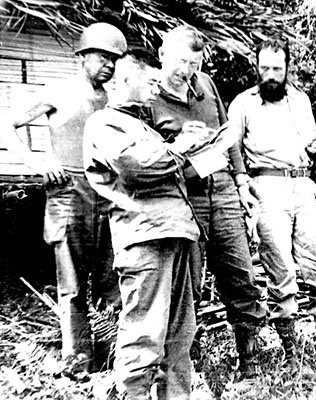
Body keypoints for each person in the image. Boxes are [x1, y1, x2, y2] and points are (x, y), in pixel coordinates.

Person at [0, 22, 126, 374]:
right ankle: (78, 361)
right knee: (71, 282)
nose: (109, 65)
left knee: (110, 277)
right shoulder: (57, 90)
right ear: (83, 56)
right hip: (68, 191)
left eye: (115, 60)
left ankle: (112, 354)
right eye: (103, 57)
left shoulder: (115, 100)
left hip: (108, 192)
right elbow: (7, 125)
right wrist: (39, 161)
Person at [83, 49, 206, 400]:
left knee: (179, 334)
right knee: (144, 333)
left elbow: (164, 166)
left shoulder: (141, 126)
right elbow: (135, 166)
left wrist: (197, 146)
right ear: (123, 80)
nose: (155, 90)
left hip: (175, 233)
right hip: (144, 238)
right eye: (150, 82)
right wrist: (181, 146)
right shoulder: (105, 123)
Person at [227, 37, 316, 370]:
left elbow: (311, 141)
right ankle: (291, 354)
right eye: (265, 68)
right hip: (266, 189)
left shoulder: (300, 100)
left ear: (287, 68)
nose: (271, 74)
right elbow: (231, 149)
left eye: (277, 68)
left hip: (302, 188)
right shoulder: (243, 103)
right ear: (256, 67)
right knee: (281, 274)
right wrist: (243, 185)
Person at [148, 26, 268, 379]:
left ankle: (249, 360)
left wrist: (242, 181)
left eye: (195, 63)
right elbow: (149, 159)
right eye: (181, 62)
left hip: (225, 192)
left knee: (240, 275)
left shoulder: (207, 85)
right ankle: (189, 364)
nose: (187, 71)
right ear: (162, 55)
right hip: (186, 199)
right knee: (189, 285)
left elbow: (229, 136)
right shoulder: (148, 100)